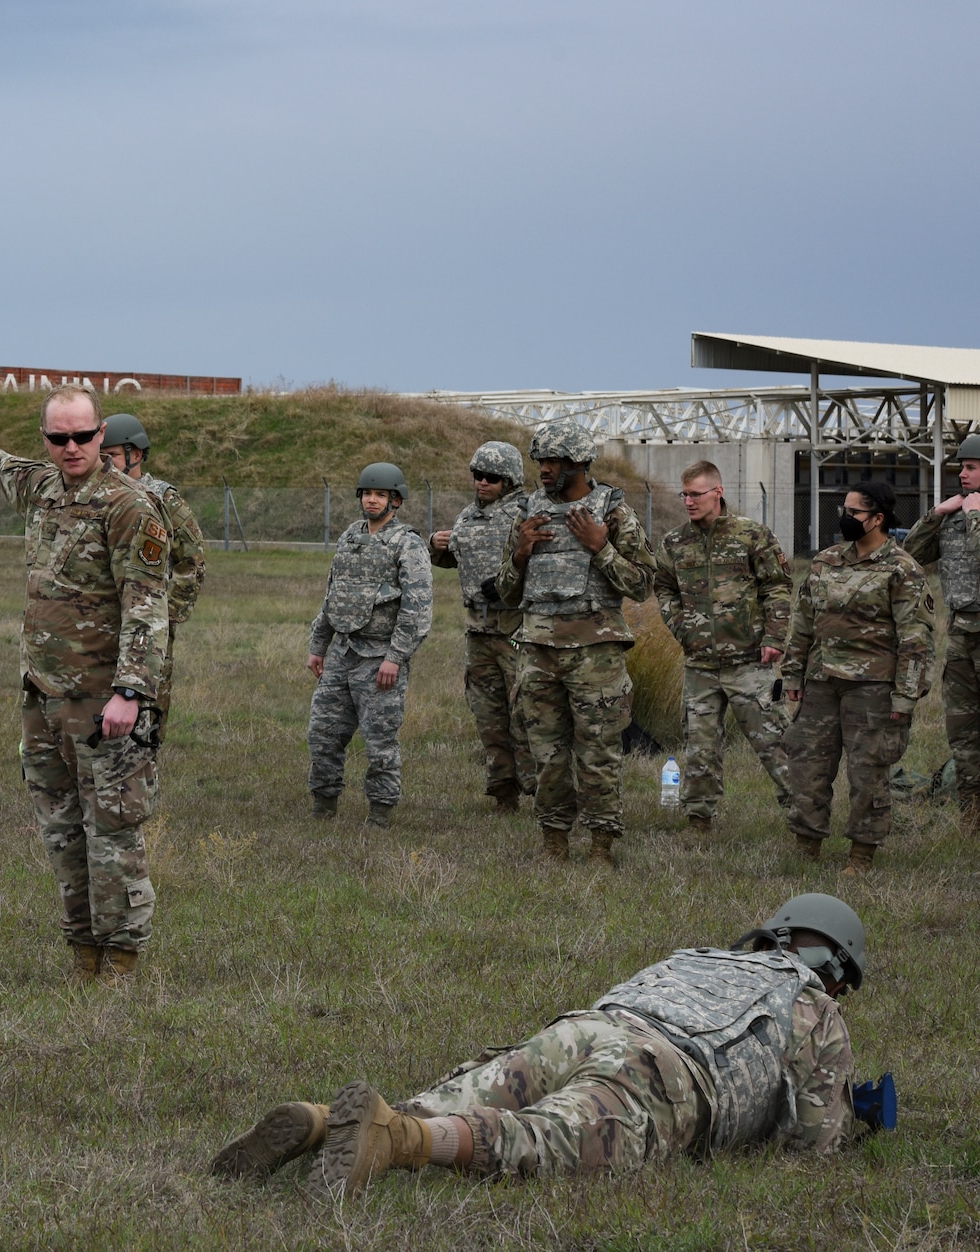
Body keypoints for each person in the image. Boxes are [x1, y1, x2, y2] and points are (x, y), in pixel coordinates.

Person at [211, 893, 874, 1194]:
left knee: (461, 1091)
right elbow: (810, 1143)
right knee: (545, 1141)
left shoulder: (697, 956)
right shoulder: (814, 1007)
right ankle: (403, 1143)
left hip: (585, 1027)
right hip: (668, 1074)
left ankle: (326, 1124)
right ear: (838, 971)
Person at [0, 386, 169, 984]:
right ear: (47, 439)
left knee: (112, 830)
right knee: (60, 829)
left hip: (105, 703)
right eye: (59, 438)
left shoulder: (128, 507)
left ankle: (121, 963)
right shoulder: (44, 487)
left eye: (83, 436)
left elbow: (146, 605)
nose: (71, 447)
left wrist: (130, 692)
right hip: (43, 697)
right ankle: (82, 954)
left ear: (102, 435)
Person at [496, 421, 655, 866]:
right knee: (545, 754)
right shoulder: (527, 512)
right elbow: (507, 593)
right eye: (540, 461)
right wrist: (520, 553)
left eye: (553, 461)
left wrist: (600, 548)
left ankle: (602, 847)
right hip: (538, 653)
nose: (544, 469)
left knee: (599, 753)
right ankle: (553, 843)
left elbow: (643, 583)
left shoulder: (612, 511)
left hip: (595, 656)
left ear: (579, 463)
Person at [782, 480, 934, 874]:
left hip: (873, 689)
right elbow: (803, 622)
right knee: (808, 766)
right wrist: (793, 674)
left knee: (868, 771)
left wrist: (905, 696)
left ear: (878, 519)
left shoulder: (902, 569)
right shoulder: (826, 561)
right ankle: (806, 844)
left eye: (853, 513)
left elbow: (915, 640)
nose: (845, 518)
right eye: (843, 511)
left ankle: (862, 855)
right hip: (820, 682)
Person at [651, 460, 794, 832]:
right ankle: (699, 822)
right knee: (700, 750)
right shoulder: (675, 542)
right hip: (699, 666)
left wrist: (775, 636)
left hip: (749, 663)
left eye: (696, 494)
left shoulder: (751, 536)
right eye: (684, 494)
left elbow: (777, 587)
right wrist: (682, 627)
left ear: (718, 491)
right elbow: (663, 587)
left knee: (776, 745)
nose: (688, 502)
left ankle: (805, 818)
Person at [306, 463, 433, 827]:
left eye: (380, 495)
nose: (372, 500)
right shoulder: (350, 536)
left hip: (379, 660)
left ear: (396, 500)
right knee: (323, 735)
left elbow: (417, 608)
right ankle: (323, 805)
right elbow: (334, 594)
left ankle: (380, 814)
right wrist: (319, 645)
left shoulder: (406, 543)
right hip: (342, 654)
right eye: (367, 493)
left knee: (379, 742)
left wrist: (395, 658)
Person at [429, 441, 534, 813]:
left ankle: (542, 792)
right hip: (478, 631)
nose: (482, 483)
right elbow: (458, 560)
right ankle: (503, 793)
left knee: (527, 714)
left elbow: (549, 566)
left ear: (510, 481)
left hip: (517, 631)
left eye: (492, 477)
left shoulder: (527, 514)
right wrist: (436, 547)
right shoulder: (467, 517)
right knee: (488, 716)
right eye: (478, 476)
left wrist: (512, 583)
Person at [101, 414, 207, 711]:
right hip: (100, 623)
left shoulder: (162, 499)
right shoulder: (97, 496)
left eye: (110, 456)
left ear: (135, 454)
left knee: (146, 711)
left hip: (146, 628)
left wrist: (166, 615)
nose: (103, 464)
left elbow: (192, 560)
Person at [903, 431, 980, 836]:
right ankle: (971, 817)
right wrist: (936, 514)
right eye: (961, 468)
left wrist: (975, 516)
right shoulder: (953, 516)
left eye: (970, 467)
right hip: (961, 635)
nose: (963, 475)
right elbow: (910, 557)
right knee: (963, 731)